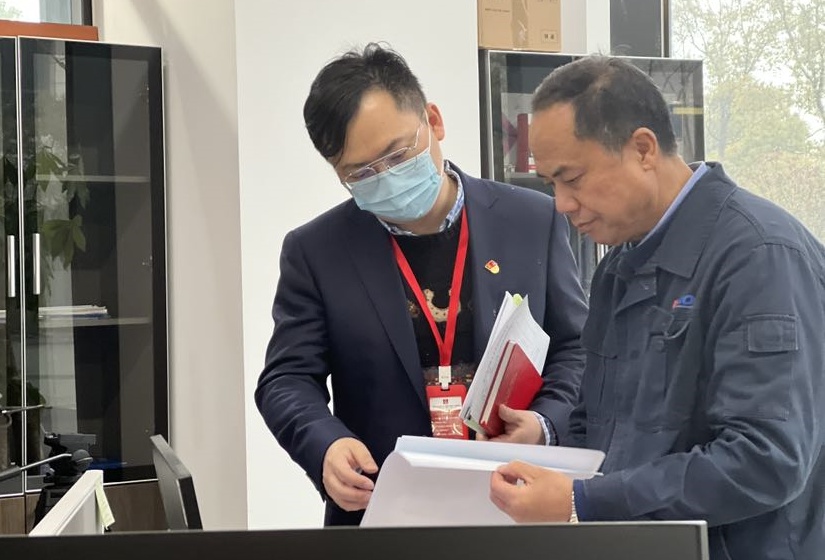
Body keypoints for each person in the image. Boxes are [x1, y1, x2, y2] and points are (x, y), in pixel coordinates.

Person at [488, 56, 825, 560]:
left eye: (571, 178)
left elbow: (766, 459)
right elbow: (596, 424)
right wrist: (547, 460)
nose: (560, 204)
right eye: (551, 184)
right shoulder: (618, 266)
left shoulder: (759, 256)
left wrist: (583, 502)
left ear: (643, 149)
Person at [254, 43, 589, 526]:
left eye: (397, 155)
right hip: (384, 512)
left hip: (516, 504)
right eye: (360, 173)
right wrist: (325, 445)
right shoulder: (317, 251)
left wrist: (544, 423)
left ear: (433, 121)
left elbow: (577, 347)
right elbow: (285, 379)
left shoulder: (532, 220)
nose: (387, 178)